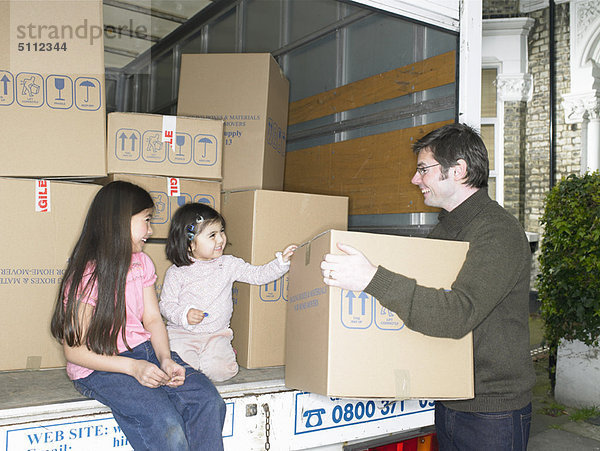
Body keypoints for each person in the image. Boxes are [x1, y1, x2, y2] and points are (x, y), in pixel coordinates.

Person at [320, 123, 536, 451]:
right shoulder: (446, 233)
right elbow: (423, 304)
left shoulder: (497, 233)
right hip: (451, 401)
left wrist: (371, 279)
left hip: (492, 414)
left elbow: (456, 315)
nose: (414, 179)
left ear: (459, 170)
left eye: (423, 169)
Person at [50, 181, 226, 451]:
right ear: (119, 221)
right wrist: (133, 368)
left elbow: (153, 319)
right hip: (100, 367)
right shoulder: (86, 275)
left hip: (144, 352)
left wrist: (166, 359)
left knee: (208, 400)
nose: (151, 230)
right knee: (165, 423)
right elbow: (75, 352)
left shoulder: (142, 263)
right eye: (146, 220)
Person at [160, 202, 297, 382]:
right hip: (182, 334)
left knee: (222, 372)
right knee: (181, 371)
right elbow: (165, 305)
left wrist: (281, 263)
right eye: (212, 235)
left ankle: (222, 352)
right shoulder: (177, 272)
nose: (220, 239)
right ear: (189, 244)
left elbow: (258, 275)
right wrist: (184, 314)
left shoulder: (229, 264)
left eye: (221, 231)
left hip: (216, 334)